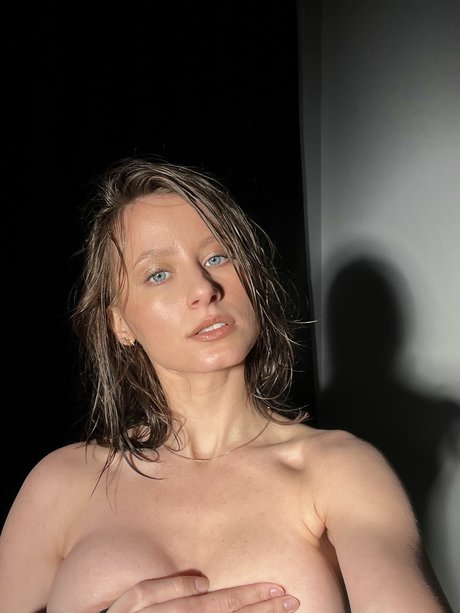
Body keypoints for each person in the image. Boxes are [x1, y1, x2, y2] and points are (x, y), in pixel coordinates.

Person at [0, 157, 451, 613]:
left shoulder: (338, 471)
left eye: (217, 257)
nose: (203, 288)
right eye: (158, 273)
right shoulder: (61, 484)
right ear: (120, 323)